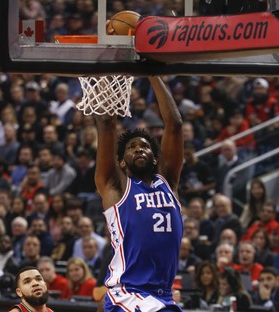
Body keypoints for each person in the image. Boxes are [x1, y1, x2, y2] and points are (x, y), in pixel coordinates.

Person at [94, 76, 184, 311]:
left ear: (155, 158)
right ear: (122, 162)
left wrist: (153, 74)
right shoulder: (115, 188)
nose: (139, 149)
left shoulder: (168, 182)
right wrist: (107, 76)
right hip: (128, 291)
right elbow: (106, 124)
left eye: (144, 146)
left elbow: (174, 124)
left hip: (162, 294)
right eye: (132, 148)